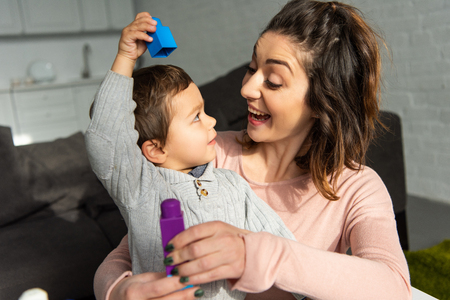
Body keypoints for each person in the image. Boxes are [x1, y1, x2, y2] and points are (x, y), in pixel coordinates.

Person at [93, 1, 412, 299]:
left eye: (273, 80)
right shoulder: (209, 156)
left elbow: (394, 287)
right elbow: (132, 246)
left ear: (323, 101)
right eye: (251, 67)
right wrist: (119, 290)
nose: (246, 88)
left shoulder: (355, 187)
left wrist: (257, 254)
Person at [85, 23, 301, 300]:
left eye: (204, 111)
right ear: (156, 149)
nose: (212, 121)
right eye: (196, 117)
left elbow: (279, 243)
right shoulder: (140, 187)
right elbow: (106, 138)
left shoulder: (233, 184)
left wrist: (302, 290)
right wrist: (126, 58)